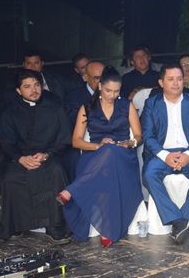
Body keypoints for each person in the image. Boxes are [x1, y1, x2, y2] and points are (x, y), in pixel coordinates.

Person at [56, 66, 144, 247]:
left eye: (116, 91)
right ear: (100, 87)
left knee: (111, 151)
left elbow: (138, 136)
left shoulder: (126, 106)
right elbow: (76, 141)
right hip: (94, 157)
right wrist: (98, 146)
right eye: (108, 90)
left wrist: (129, 143)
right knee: (107, 158)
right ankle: (108, 228)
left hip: (124, 155)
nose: (112, 95)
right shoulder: (87, 108)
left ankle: (71, 190)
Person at [0, 69, 71, 244]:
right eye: (27, 86)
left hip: (49, 156)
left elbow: (64, 139)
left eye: (37, 85)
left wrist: (46, 155)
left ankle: (54, 225)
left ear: (42, 86)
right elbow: (7, 143)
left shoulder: (55, 109)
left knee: (56, 172)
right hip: (19, 158)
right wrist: (21, 159)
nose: (34, 90)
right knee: (10, 178)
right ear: (18, 90)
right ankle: (16, 224)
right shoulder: (10, 113)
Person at [141, 63, 189, 244]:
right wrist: (165, 156)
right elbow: (147, 135)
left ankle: (182, 219)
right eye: (171, 79)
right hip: (162, 153)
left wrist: (188, 155)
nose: (176, 83)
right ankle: (178, 220)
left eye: (179, 79)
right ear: (161, 82)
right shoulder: (151, 103)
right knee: (149, 175)